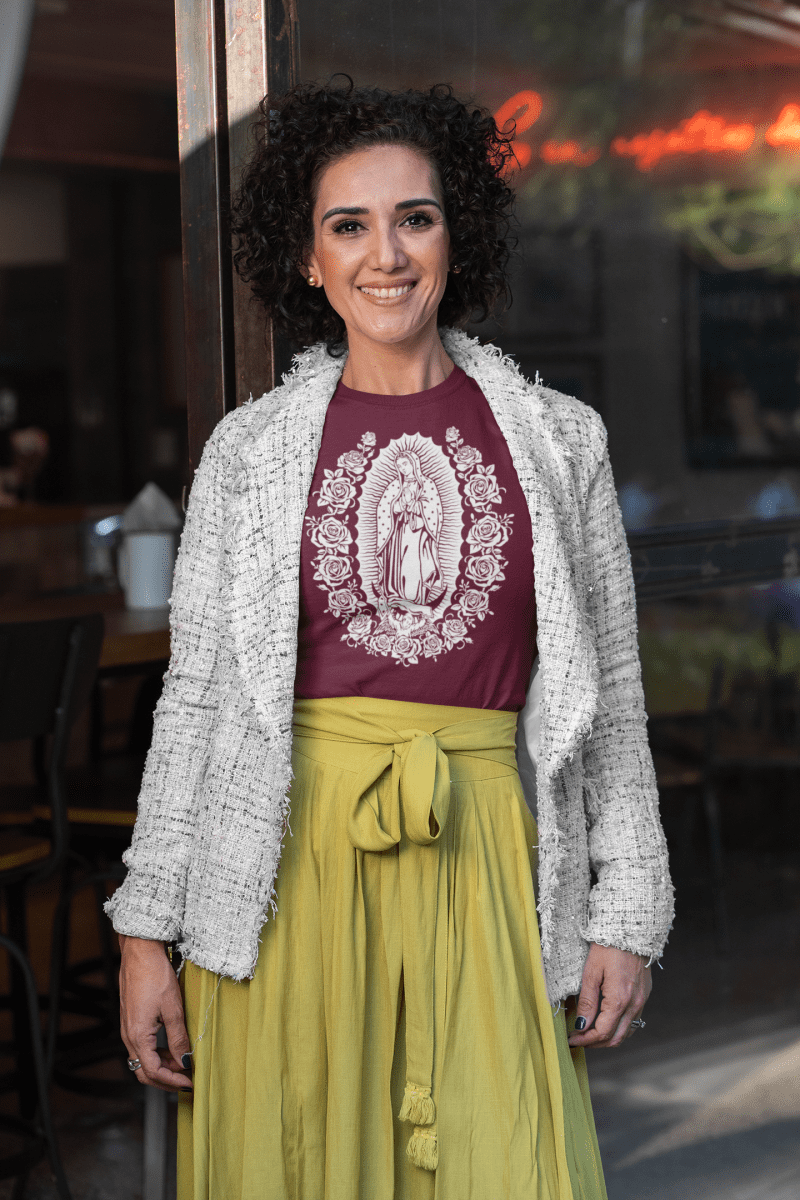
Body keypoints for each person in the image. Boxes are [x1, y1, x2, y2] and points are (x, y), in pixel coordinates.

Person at [108, 79, 674, 1200]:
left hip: (489, 869)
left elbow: (608, 692)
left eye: (414, 217)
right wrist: (144, 932)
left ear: (454, 236)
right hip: (284, 871)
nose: (386, 255)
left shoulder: (560, 442)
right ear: (308, 261)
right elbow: (196, 703)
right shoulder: (248, 452)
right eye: (347, 225)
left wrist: (629, 911)